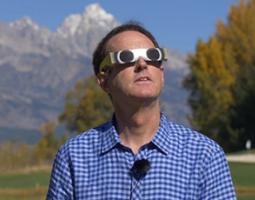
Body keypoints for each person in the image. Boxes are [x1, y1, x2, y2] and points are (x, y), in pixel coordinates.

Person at [47, 22, 236, 199]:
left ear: (162, 72)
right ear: (104, 80)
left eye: (152, 56)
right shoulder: (74, 157)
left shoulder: (205, 155)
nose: (142, 64)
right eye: (126, 58)